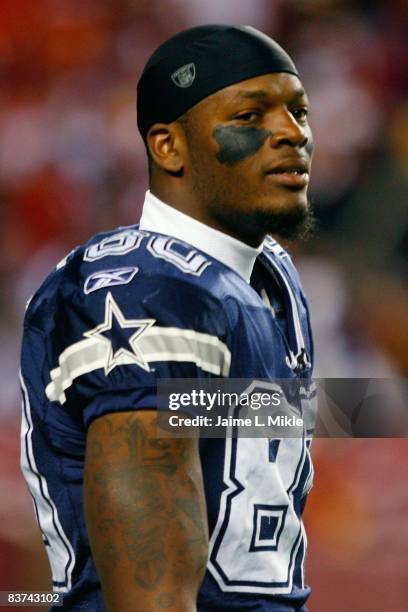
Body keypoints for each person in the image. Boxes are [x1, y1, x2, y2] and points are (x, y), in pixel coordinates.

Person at [20, 25, 315, 611]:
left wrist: (366, 408)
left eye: (298, 111)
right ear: (168, 147)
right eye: (251, 116)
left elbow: (234, 417)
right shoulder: (146, 291)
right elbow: (151, 596)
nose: (292, 133)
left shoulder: (262, 272)